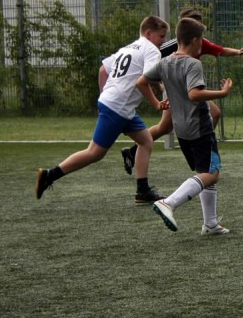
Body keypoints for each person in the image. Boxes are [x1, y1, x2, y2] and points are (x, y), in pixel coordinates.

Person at [36, 15, 169, 204]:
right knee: (95, 153)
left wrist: (104, 96)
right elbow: (143, 80)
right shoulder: (152, 50)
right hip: (119, 107)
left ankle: (142, 190)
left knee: (145, 141)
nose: (163, 41)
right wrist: (156, 102)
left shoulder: (129, 48)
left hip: (118, 105)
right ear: (149, 33)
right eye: (161, 36)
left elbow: (103, 71)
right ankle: (49, 175)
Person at [120, 8, 243, 175]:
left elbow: (220, 50)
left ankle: (203, 150)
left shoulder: (200, 42)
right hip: (176, 90)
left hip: (190, 88)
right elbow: (152, 65)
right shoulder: (170, 46)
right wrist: (160, 85)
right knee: (165, 127)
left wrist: (238, 52)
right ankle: (135, 151)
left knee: (213, 114)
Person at [137, 16, 234, 235]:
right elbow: (194, 94)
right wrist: (222, 93)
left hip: (181, 129)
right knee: (212, 173)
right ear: (195, 40)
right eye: (202, 40)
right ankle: (169, 203)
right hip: (199, 127)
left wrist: (157, 103)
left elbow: (141, 82)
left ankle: (210, 224)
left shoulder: (165, 62)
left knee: (203, 171)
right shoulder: (193, 64)